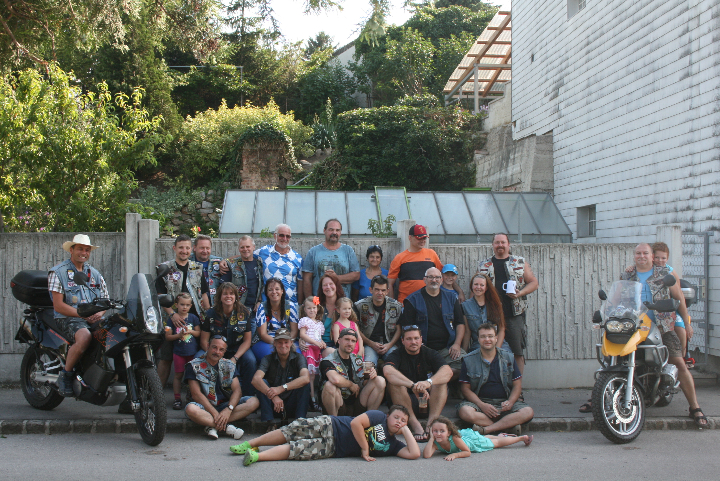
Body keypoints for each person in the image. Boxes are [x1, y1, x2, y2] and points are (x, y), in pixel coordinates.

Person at [620, 243, 707, 428]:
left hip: (662, 327)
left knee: (679, 362)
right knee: (615, 359)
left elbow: (679, 298)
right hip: (634, 328)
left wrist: (687, 322)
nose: (641, 256)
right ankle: (599, 398)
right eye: (638, 253)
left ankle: (695, 407)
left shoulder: (665, 273)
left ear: (652, 256)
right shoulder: (627, 275)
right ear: (634, 256)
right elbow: (619, 298)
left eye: (645, 253)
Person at [229, 405, 421, 466]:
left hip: (334, 448)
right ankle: (250, 443)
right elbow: (356, 423)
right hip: (332, 425)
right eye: (396, 417)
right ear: (388, 416)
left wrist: (405, 430)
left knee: (298, 449)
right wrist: (365, 448)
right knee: (292, 431)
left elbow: (414, 453)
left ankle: (257, 456)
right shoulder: (378, 416)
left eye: (403, 420)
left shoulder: (393, 445)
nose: (399, 421)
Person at [49, 234, 109, 397]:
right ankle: (66, 375)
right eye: (80, 249)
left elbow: (105, 300)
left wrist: (99, 313)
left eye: (87, 250)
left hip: (92, 318)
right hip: (68, 318)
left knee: (114, 334)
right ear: (71, 250)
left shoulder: (95, 274)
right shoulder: (58, 272)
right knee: (84, 337)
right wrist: (82, 316)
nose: (84, 253)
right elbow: (58, 305)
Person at [477, 233, 538, 374]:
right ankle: (494, 382)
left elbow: (534, 283)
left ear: (508, 244)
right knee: (489, 349)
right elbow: (476, 287)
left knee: (517, 351)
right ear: (493, 245)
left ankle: (517, 385)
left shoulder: (520, 262)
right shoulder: (483, 265)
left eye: (503, 242)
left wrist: (519, 293)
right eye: (497, 242)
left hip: (514, 314)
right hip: (491, 315)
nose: (500, 245)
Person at [457, 323, 534, 435]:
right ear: (478, 339)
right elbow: (465, 389)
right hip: (480, 402)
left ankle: (487, 429)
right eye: (483, 336)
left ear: (496, 338)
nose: (487, 339)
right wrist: (482, 405)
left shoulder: (508, 357)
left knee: (527, 411)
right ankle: (507, 427)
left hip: (504, 402)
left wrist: (510, 402)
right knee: (465, 412)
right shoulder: (468, 360)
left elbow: (517, 385)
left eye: (490, 336)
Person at [156, 234, 211, 387]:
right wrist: (172, 315)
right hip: (171, 321)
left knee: (196, 357)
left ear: (191, 249)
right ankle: (157, 393)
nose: (184, 251)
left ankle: (194, 392)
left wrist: (209, 314)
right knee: (166, 357)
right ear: (174, 248)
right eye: (181, 247)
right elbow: (160, 296)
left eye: (187, 248)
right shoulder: (164, 268)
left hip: (194, 321)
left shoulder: (197, 268)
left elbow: (204, 294)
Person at [383, 325, 453, 442]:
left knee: (441, 382)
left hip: (427, 403)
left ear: (421, 339)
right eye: (409, 339)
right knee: (394, 383)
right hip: (403, 406)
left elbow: (448, 371)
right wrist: (412, 385)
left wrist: (428, 383)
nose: (413, 342)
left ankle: (431, 424)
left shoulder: (430, 353)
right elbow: (387, 371)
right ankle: (416, 426)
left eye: (416, 338)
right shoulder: (396, 354)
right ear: (402, 341)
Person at [184, 335, 260, 439]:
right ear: (208, 346)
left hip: (225, 405)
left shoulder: (229, 365)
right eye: (214, 347)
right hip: (203, 407)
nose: (217, 352)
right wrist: (215, 413)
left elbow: (237, 391)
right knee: (191, 409)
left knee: (254, 402)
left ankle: (211, 425)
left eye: (221, 350)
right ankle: (227, 427)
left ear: (224, 352)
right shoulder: (193, 365)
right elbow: (196, 394)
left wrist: (228, 409)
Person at [399, 267, 467, 374]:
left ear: (441, 280)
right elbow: (406, 328)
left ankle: (435, 380)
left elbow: (460, 323)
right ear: (424, 280)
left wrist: (457, 344)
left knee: (466, 365)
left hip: (447, 348)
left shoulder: (451, 298)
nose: (434, 280)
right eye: (430, 277)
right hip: (423, 349)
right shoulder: (413, 300)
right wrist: (417, 346)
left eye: (437, 277)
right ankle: (438, 379)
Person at [201, 282, 256, 396]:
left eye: (231, 293)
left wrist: (235, 358)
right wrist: (214, 355)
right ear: (220, 297)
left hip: (237, 349)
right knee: (198, 358)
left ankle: (248, 397)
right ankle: (206, 395)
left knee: (251, 361)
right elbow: (204, 340)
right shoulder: (211, 313)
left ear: (236, 296)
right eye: (225, 294)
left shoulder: (244, 312)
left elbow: (247, 341)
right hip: (215, 349)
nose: (228, 296)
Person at [251, 328, 311, 426]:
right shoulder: (267, 359)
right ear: (274, 343)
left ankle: (300, 422)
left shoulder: (299, 358)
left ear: (291, 343)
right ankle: (270, 423)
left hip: (292, 404)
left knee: (304, 384)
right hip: (273, 405)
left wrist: (281, 388)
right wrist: (274, 396)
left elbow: (306, 378)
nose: (283, 346)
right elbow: (255, 379)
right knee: (262, 382)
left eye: (286, 342)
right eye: (280, 342)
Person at [320, 328, 386, 416]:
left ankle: (369, 419)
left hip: (356, 405)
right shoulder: (328, 360)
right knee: (329, 386)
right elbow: (335, 379)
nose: (350, 343)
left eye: (353, 341)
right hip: (338, 406)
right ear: (339, 341)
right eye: (347, 339)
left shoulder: (357, 360)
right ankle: (333, 422)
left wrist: (372, 376)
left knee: (380, 380)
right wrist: (351, 385)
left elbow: (364, 383)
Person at [423, 416, 532, 461]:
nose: (438, 434)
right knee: (484, 438)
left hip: (472, 442)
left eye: (442, 431)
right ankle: (500, 435)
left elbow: (467, 452)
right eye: (435, 431)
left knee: (496, 443)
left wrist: (455, 455)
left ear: (448, 433)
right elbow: (427, 455)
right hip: (467, 436)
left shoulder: (454, 438)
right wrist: (431, 439)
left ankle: (521, 438)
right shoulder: (434, 443)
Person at [651, 242, 692, 359]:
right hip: (650, 309)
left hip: (669, 309)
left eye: (663, 258)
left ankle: (681, 359)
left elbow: (679, 296)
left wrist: (687, 324)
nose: (660, 261)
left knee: (681, 331)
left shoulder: (670, 272)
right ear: (652, 257)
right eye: (657, 257)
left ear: (667, 258)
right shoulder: (646, 269)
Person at [302, 218, 360, 297]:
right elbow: (307, 279)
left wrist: (336, 278)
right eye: (331, 230)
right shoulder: (313, 252)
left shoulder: (348, 251)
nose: (334, 233)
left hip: (343, 302)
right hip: (320, 301)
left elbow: (356, 275)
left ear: (340, 232)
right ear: (324, 231)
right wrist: (310, 300)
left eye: (337, 230)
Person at [354, 274, 402, 365]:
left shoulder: (396, 306)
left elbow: (399, 329)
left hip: (389, 344)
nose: (380, 293)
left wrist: (389, 345)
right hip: (369, 345)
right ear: (371, 290)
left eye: (383, 290)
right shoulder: (359, 306)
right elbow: (356, 328)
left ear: (387, 291)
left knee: (396, 363)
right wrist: (371, 343)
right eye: (377, 289)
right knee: (368, 364)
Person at [388, 224, 443, 304]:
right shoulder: (399, 258)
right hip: (406, 303)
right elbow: (390, 283)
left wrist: (459, 291)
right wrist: (391, 304)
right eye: (419, 238)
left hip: (429, 303)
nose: (422, 240)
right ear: (410, 238)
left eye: (424, 238)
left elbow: (444, 275)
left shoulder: (432, 254)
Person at [165, 293, 200, 409]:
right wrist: (178, 335)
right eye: (182, 304)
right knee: (178, 375)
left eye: (187, 305)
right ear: (176, 305)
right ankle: (177, 398)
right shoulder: (171, 320)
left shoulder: (193, 318)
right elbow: (168, 337)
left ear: (191, 306)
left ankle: (192, 396)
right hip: (179, 352)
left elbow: (198, 333)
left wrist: (190, 332)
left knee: (192, 376)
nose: (184, 307)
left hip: (192, 353)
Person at [254, 224, 304, 305]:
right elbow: (247, 255)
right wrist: (230, 261)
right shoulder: (264, 251)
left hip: (290, 305)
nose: (285, 239)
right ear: (275, 236)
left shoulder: (297, 258)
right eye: (281, 235)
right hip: (268, 304)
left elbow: (300, 283)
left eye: (288, 236)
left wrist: (300, 304)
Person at [251, 279, 300, 359]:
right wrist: (278, 344)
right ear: (267, 293)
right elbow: (263, 335)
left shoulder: (290, 306)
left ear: (282, 291)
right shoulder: (262, 307)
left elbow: (294, 331)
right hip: (266, 342)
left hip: (288, 340)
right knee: (273, 356)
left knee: (297, 356)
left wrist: (285, 344)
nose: (274, 292)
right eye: (270, 290)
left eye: (277, 289)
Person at [462, 273, 510, 353]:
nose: (478, 287)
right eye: (476, 284)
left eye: (482, 285)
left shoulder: (496, 304)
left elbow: (501, 329)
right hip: (478, 345)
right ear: (471, 286)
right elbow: (467, 331)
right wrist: (464, 352)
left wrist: (496, 349)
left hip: (498, 343)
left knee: (506, 358)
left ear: (486, 287)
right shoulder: (465, 306)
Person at [221, 236, 264, 314]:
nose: (245, 249)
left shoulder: (260, 265)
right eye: (242, 247)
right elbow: (223, 288)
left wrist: (259, 301)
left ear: (253, 247)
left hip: (255, 310)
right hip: (235, 310)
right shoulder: (231, 265)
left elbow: (262, 286)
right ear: (238, 249)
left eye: (248, 246)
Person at [297, 296, 327, 411]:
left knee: (315, 375)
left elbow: (319, 337)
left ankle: (315, 397)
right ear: (305, 309)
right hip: (309, 349)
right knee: (310, 375)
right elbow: (302, 335)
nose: (312, 310)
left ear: (317, 308)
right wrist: (315, 343)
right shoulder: (305, 320)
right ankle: (311, 398)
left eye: (314, 308)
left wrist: (322, 343)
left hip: (316, 350)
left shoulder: (319, 323)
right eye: (309, 308)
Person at [315, 272, 343, 357]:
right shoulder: (317, 307)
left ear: (336, 286)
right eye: (325, 285)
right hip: (321, 345)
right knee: (331, 352)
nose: (328, 287)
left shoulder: (344, 305)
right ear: (321, 288)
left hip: (340, 345)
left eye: (331, 284)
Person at [190, 234, 224, 300]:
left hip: (214, 302)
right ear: (194, 248)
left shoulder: (219, 262)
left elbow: (235, 260)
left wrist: (225, 261)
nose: (205, 251)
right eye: (202, 248)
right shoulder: (187, 261)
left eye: (207, 248)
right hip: (194, 302)